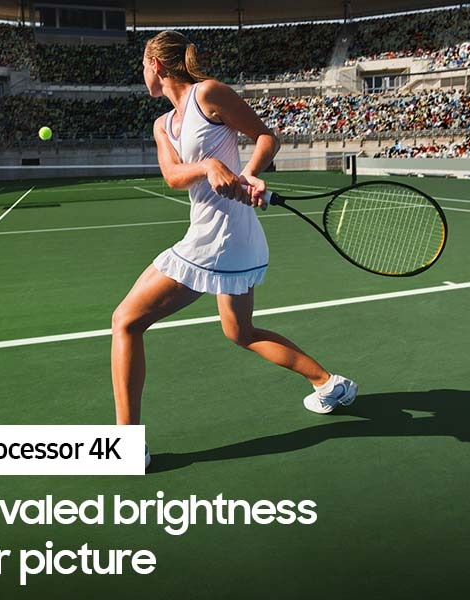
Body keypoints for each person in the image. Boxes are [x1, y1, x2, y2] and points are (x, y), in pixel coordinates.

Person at [110, 31, 358, 468]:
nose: (141, 75)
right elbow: (173, 177)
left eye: (142, 66)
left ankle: (127, 447)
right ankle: (329, 383)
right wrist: (208, 166)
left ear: (157, 65)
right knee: (240, 332)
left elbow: (266, 137)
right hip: (222, 236)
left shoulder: (209, 93)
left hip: (221, 238)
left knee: (125, 322)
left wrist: (249, 173)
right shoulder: (163, 125)